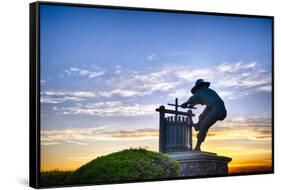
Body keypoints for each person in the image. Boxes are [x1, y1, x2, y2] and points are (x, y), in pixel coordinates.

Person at [181, 79, 227, 151]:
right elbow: (200, 100)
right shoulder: (209, 91)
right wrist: (190, 105)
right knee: (201, 116)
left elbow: (193, 98)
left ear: (198, 87)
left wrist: (185, 103)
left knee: (204, 125)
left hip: (216, 109)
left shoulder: (200, 91)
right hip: (219, 108)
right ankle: (197, 125)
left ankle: (197, 147)